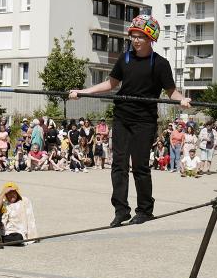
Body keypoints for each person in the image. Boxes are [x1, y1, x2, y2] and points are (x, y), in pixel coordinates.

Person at [69, 14, 190, 227]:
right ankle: (121, 210)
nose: (135, 40)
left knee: (140, 166)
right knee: (118, 164)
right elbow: (110, 84)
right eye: (133, 36)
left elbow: (171, 92)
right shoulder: (125, 59)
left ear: (150, 38)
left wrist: (183, 100)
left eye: (140, 36)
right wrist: (83, 91)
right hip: (122, 117)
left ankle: (145, 210)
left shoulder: (160, 64)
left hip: (145, 121)